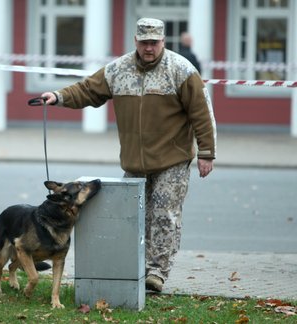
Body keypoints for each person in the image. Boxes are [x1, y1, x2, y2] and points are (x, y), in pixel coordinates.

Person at [38, 18, 216, 293]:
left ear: (163, 42)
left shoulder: (181, 70)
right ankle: (137, 268)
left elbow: (202, 113)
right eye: (144, 43)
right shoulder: (118, 70)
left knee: (164, 215)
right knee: (134, 216)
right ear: (136, 41)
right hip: (135, 162)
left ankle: (156, 273)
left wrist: (206, 152)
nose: (149, 49)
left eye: (154, 43)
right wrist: (58, 96)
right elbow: (88, 90)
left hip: (173, 159)